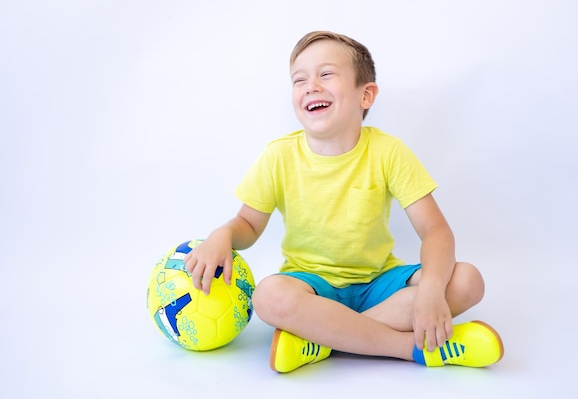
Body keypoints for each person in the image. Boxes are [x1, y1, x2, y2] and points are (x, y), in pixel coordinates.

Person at [184, 30, 504, 373]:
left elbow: (435, 230)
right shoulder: (278, 156)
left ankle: (321, 339)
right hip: (311, 287)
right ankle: (407, 346)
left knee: (467, 280)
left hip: (380, 282)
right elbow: (247, 224)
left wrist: (431, 289)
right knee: (269, 296)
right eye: (299, 79)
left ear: (365, 95)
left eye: (326, 74)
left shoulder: (388, 152)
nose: (311, 86)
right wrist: (223, 235)